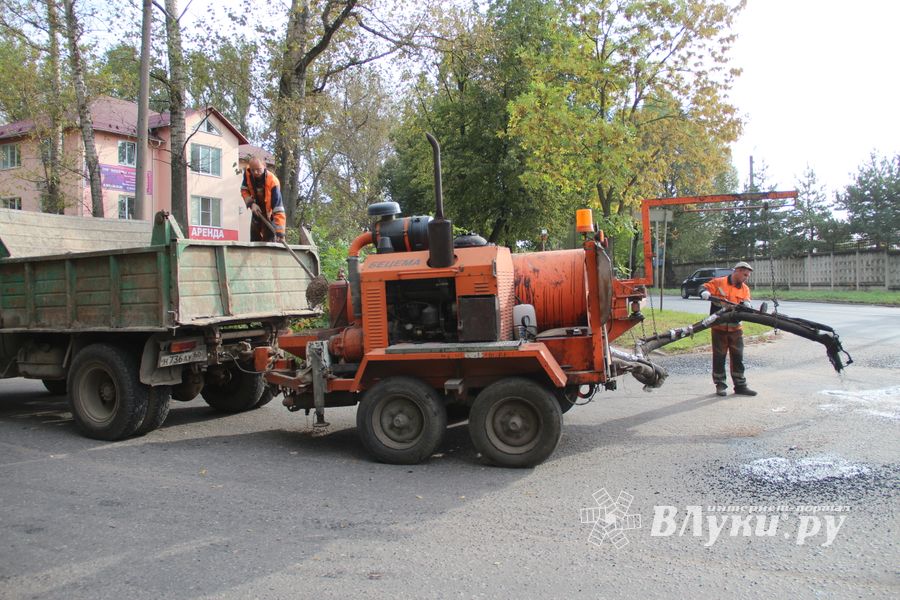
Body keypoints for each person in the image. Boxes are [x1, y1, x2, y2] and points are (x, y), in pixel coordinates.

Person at [700, 261, 757, 397]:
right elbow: (703, 287)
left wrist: (747, 304)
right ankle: (720, 385)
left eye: (748, 276)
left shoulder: (745, 289)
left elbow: (747, 301)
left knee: (738, 357)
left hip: (736, 329)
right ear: (737, 271)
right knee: (719, 357)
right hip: (719, 328)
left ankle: (740, 385)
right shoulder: (719, 282)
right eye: (745, 275)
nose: (746, 278)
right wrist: (704, 292)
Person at [240, 156, 286, 242]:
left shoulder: (273, 182)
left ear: (264, 166)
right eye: (253, 170)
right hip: (256, 210)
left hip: (269, 215)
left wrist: (280, 233)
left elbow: (278, 208)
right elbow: (244, 190)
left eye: (258, 169)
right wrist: (251, 204)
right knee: (254, 240)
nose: (255, 172)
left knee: (270, 241)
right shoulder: (248, 174)